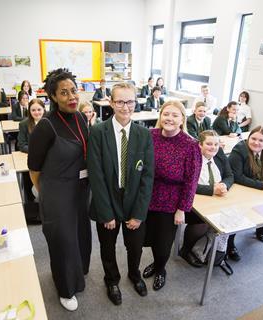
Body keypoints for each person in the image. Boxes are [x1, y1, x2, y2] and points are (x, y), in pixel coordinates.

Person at [27, 68, 91, 311]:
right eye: (63, 92)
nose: (71, 96)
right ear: (53, 96)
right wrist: (45, 193)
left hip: (80, 189)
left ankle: (78, 274)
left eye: (73, 90)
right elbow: (33, 168)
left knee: (81, 235)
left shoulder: (82, 118)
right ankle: (65, 289)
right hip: (56, 192)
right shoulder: (46, 126)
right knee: (63, 241)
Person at [88, 82, 154, 306]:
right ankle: (111, 280)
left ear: (136, 102)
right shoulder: (97, 132)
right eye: (120, 102)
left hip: (134, 201)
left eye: (130, 101)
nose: (125, 107)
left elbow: (147, 177)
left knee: (134, 247)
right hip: (107, 198)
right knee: (107, 247)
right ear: (111, 102)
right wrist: (106, 214)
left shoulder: (144, 134)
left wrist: (139, 213)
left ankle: (134, 274)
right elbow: (96, 177)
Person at [143, 101, 201, 291]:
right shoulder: (150, 136)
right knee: (150, 237)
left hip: (171, 202)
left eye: (175, 115)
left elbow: (191, 182)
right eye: (166, 114)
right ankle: (157, 262)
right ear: (160, 116)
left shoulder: (190, 145)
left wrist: (182, 209)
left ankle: (161, 269)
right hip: (148, 198)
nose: (169, 118)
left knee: (164, 242)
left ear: (182, 119)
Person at [179, 130, 235, 267]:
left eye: (216, 144)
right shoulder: (192, 156)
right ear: (200, 145)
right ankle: (185, 250)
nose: (213, 147)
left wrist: (224, 185)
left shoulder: (219, 154)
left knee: (232, 217)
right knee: (202, 222)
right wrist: (211, 190)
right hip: (192, 200)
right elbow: (185, 182)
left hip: (217, 199)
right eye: (209, 144)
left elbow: (230, 175)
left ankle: (216, 250)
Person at [229, 126, 263, 243]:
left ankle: (262, 229)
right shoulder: (239, 150)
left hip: (262, 190)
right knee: (237, 213)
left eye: (261, 140)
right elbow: (237, 177)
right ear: (248, 138)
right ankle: (230, 242)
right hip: (241, 188)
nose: (256, 143)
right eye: (253, 138)